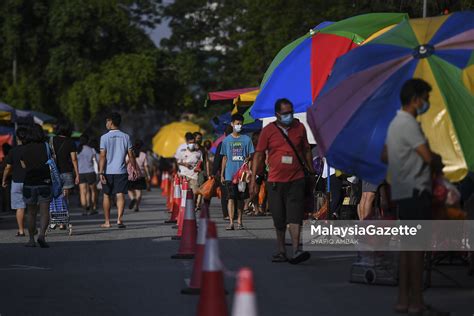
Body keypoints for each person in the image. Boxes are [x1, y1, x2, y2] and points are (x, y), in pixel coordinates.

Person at [382, 79, 444, 315]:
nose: (426, 102)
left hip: (402, 191)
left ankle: (403, 300)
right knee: (417, 251)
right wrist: (435, 159)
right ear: (416, 98)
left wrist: (405, 161)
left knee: (408, 250)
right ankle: (416, 301)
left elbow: (385, 155)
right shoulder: (409, 124)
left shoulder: (395, 123)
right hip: (416, 193)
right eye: (426, 98)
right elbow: (429, 158)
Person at [250, 98, 313, 264]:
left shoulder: (299, 127)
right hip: (275, 181)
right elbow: (258, 154)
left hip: (296, 178)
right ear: (277, 114)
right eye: (285, 113)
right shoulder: (268, 131)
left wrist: (311, 170)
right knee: (279, 217)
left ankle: (296, 249)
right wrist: (253, 180)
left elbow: (306, 149)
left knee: (295, 215)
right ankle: (281, 250)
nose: (289, 115)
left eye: (290, 112)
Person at [99, 112, 137, 229]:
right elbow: (131, 155)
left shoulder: (104, 137)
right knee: (120, 194)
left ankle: (107, 222)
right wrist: (134, 168)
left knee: (106, 195)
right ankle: (119, 219)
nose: (106, 123)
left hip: (108, 171)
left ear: (111, 122)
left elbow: (102, 156)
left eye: (107, 121)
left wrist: (101, 172)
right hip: (121, 171)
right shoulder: (126, 136)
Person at [19, 124, 52, 248]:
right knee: (44, 212)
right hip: (45, 182)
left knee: (31, 213)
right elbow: (52, 160)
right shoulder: (46, 146)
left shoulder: (25, 148)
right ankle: (42, 235)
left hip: (29, 183)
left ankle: (31, 239)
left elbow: (23, 166)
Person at [220, 113, 254, 230]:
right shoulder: (226, 141)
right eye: (237, 123)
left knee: (240, 199)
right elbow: (224, 158)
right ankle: (231, 222)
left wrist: (248, 160)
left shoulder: (247, 139)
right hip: (230, 174)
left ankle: (239, 221)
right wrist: (222, 174)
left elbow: (250, 156)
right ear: (232, 124)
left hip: (242, 176)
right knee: (230, 198)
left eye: (240, 124)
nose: (239, 125)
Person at [2, 127, 28, 236]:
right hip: (29, 181)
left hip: (16, 182)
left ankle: (21, 230)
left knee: (19, 207)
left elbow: (8, 168)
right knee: (31, 207)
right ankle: (32, 228)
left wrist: (4, 180)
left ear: (17, 137)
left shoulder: (13, 151)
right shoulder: (29, 149)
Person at [51, 119, 80, 197]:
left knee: (54, 195)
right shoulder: (71, 142)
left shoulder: (51, 140)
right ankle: (64, 207)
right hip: (66, 171)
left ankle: (56, 208)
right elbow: (74, 159)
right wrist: (77, 174)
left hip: (53, 171)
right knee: (65, 194)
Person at [212, 125, 233, 219]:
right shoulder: (239, 143)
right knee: (234, 193)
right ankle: (234, 213)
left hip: (224, 173)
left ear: (224, 134)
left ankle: (226, 214)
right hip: (236, 172)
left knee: (225, 194)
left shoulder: (222, 144)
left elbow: (217, 160)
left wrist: (213, 172)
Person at [175, 132, 202, 200]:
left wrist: (199, 167)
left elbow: (201, 161)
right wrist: (184, 164)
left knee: (195, 192)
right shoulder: (182, 150)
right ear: (187, 142)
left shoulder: (198, 152)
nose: (191, 144)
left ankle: (194, 206)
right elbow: (178, 161)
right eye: (190, 143)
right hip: (184, 174)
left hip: (194, 175)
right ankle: (186, 207)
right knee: (185, 193)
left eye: (193, 142)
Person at [77, 134, 98, 215]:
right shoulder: (91, 150)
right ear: (87, 141)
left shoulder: (77, 150)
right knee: (92, 191)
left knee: (83, 192)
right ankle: (92, 208)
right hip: (90, 171)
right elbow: (94, 161)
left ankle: (84, 210)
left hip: (81, 172)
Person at [128, 140, 150, 212]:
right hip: (140, 175)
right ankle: (136, 206)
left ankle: (132, 198)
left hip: (130, 174)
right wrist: (148, 175)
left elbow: (125, 162)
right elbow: (146, 166)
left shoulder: (130, 153)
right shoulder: (143, 154)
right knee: (139, 192)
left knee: (129, 189)